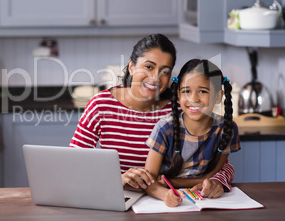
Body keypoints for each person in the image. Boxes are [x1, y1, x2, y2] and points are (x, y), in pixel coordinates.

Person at [69, 34, 235, 197]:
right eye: (149, 67)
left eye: (165, 71)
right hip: (117, 196)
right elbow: (74, 164)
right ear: (132, 66)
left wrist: (216, 181)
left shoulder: (180, 108)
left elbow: (222, 165)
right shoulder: (101, 105)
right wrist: (117, 180)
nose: (156, 78)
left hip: (171, 200)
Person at [144, 59, 241, 207]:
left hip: (203, 199)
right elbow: (149, 181)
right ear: (178, 94)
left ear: (218, 96)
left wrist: (173, 181)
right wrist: (165, 195)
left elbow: (211, 174)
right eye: (186, 91)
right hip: (167, 198)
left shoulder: (226, 128)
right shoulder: (165, 128)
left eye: (202, 91)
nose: (193, 98)